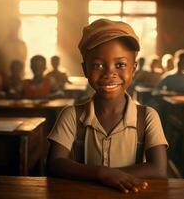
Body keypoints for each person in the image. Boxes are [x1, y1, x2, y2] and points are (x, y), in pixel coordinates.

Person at [47, 19, 168, 193]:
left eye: (120, 65)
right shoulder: (72, 115)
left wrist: (109, 175)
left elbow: (159, 169)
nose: (109, 73)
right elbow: (55, 164)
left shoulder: (147, 116)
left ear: (133, 69)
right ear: (85, 69)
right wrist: (101, 173)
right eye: (98, 65)